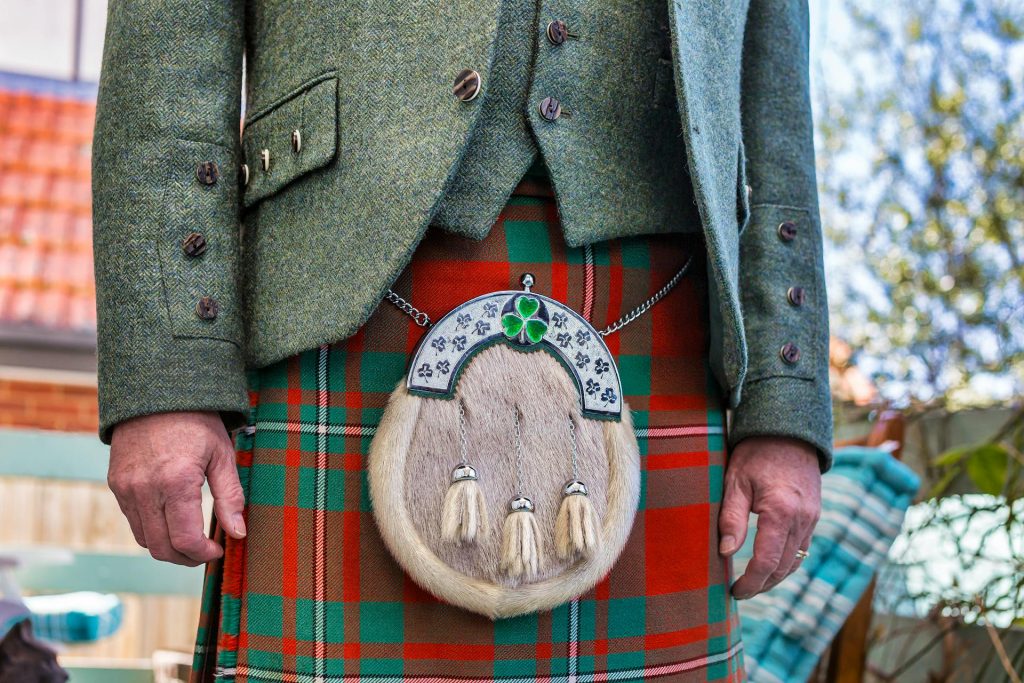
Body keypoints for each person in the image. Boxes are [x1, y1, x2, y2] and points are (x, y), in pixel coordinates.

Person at [91, 0, 832, 680]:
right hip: (340, 286)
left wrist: (785, 397)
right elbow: (170, 47)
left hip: (664, 314)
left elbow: (776, 105)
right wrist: (167, 367)